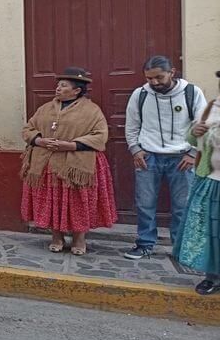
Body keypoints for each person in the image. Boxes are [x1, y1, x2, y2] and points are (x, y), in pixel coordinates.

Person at [20, 68, 118, 255]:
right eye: (58, 85)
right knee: (54, 200)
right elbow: (28, 129)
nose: (58, 88)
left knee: (77, 201)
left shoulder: (91, 110)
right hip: (48, 165)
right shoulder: (46, 108)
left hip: (77, 165)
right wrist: (39, 140)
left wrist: (71, 145)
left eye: (63, 86)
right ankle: (56, 236)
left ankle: (79, 238)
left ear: (77, 91)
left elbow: (100, 136)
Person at [124, 55, 208, 259]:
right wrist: (135, 149)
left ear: (172, 72)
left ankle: (180, 248)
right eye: (149, 78)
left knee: (183, 206)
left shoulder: (191, 92)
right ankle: (144, 244)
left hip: (182, 159)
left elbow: (204, 124)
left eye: (159, 77)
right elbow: (132, 124)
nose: (154, 83)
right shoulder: (140, 94)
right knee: (145, 203)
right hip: (148, 157)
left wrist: (193, 153)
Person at [172, 71, 220, 295]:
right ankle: (213, 276)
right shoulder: (210, 108)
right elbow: (191, 139)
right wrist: (195, 131)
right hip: (209, 180)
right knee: (209, 231)